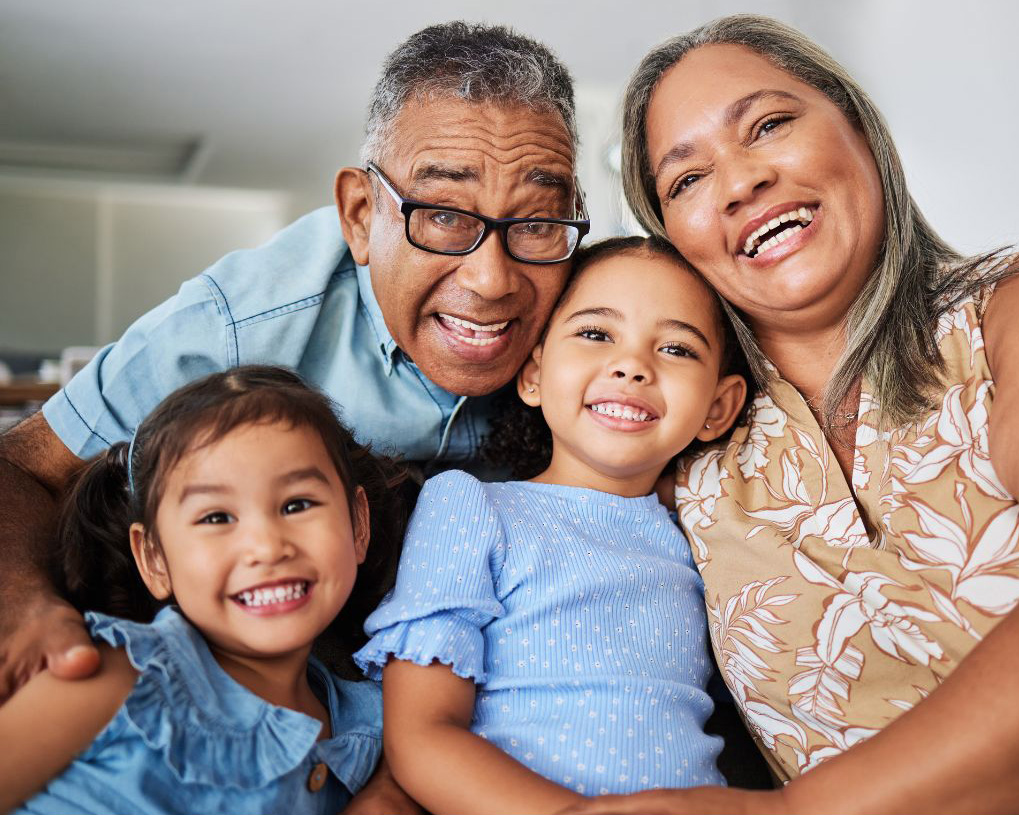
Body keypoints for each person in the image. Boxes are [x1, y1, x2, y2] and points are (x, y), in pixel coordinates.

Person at [565, 14, 1019, 815]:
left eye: (768, 124)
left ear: (862, 131)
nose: (739, 182)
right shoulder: (684, 461)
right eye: (686, 180)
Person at [0, 21, 587, 701]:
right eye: (444, 216)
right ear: (361, 214)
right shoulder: (235, 324)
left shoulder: (594, 311)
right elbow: (22, 462)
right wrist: (25, 605)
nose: (491, 280)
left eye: (539, 220)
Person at [351, 237, 750, 814]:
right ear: (534, 373)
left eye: (677, 349)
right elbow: (422, 738)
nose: (633, 366)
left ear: (718, 406)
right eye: (595, 334)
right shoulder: (471, 508)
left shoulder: (705, 537)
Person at [0, 365, 414, 814]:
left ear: (357, 524)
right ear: (155, 558)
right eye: (216, 518)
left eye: (297, 505)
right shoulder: (119, 675)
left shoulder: (377, 722)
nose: (266, 547)